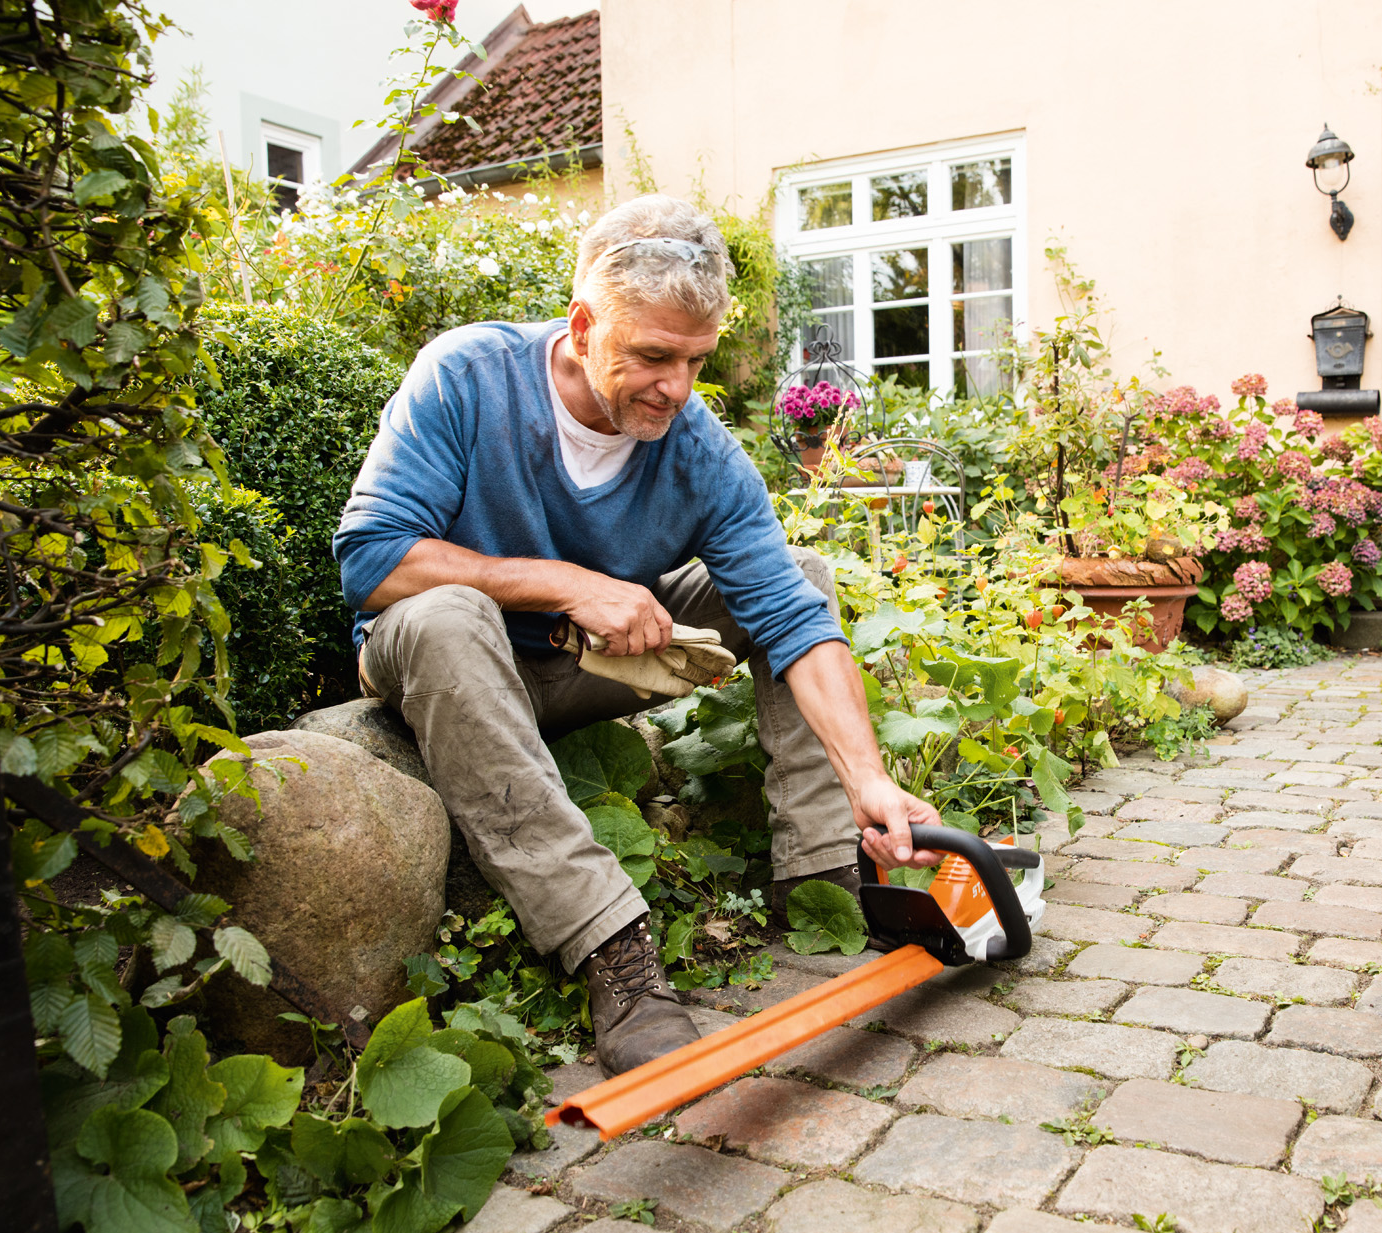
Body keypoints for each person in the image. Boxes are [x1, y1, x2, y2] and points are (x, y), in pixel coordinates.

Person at [335, 193, 941, 1077]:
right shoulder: (467, 376)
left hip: (588, 670)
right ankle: (611, 951)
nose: (678, 389)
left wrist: (870, 778)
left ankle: (819, 880)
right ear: (583, 324)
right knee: (446, 611)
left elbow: (792, 623)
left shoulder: (696, 450)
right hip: (451, 665)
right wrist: (569, 584)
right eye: (653, 356)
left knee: (802, 579)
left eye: (697, 360)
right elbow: (372, 560)